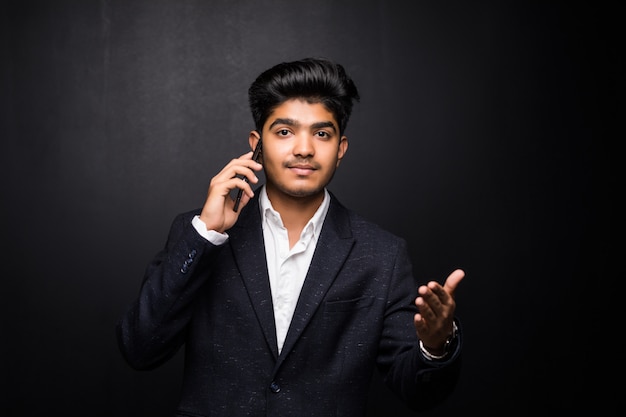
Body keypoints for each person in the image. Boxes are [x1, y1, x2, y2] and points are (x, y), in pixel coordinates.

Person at [116, 57, 466, 416]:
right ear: (257, 143)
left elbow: (419, 391)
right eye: (284, 132)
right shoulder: (198, 233)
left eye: (322, 134)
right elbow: (140, 349)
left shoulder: (382, 255)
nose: (304, 149)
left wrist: (436, 345)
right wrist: (206, 235)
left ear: (341, 148)